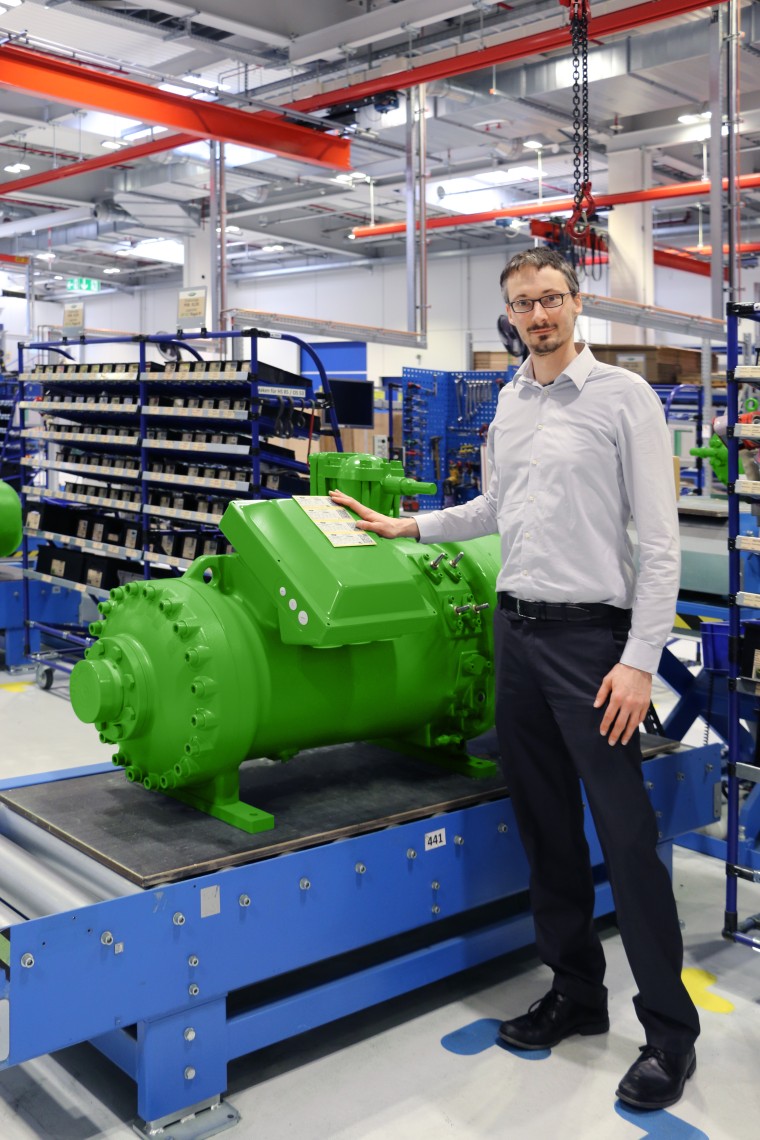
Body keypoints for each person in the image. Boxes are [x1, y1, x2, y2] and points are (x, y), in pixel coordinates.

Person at [329, 247, 700, 1111]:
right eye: (524, 304)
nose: (539, 315)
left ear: (577, 302)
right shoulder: (511, 401)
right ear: (511, 314)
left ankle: (669, 1036)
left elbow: (660, 543)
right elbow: (496, 510)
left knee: (627, 838)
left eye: (551, 299)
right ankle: (576, 993)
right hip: (519, 636)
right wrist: (409, 527)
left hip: (593, 647)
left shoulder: (624, 399)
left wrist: (639, 660)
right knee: (544, 827)